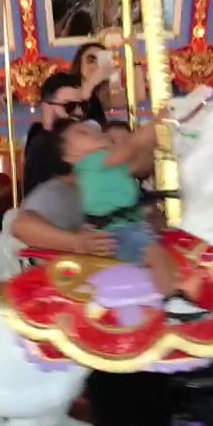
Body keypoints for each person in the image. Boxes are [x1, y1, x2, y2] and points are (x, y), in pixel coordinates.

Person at [60, 117, 176, 295]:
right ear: (71, 155)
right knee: (157, 257)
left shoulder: (105, 166)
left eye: (95, 130)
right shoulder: (92, 161)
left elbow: (138, 160)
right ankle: (171, 300)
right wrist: (159, 120)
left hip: (126, 227)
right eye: (83, 133)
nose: (94, 132)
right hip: (118, 233)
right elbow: (132, 146)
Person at [23, 58, 112, 197]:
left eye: (81, 106)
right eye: (69, 106)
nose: (78, 112)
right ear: (47, 106)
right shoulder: (42, 144)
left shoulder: (75, 132)